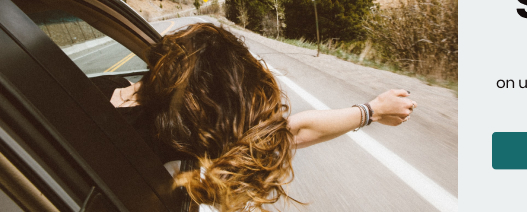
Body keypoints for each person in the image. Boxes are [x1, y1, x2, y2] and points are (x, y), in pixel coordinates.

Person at [98, 23, 417, 212]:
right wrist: (371, 111)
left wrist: (372, 111)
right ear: (199, 98)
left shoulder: (96, 89)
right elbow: (293, 131)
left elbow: (290, 131)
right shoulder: (173, 144)